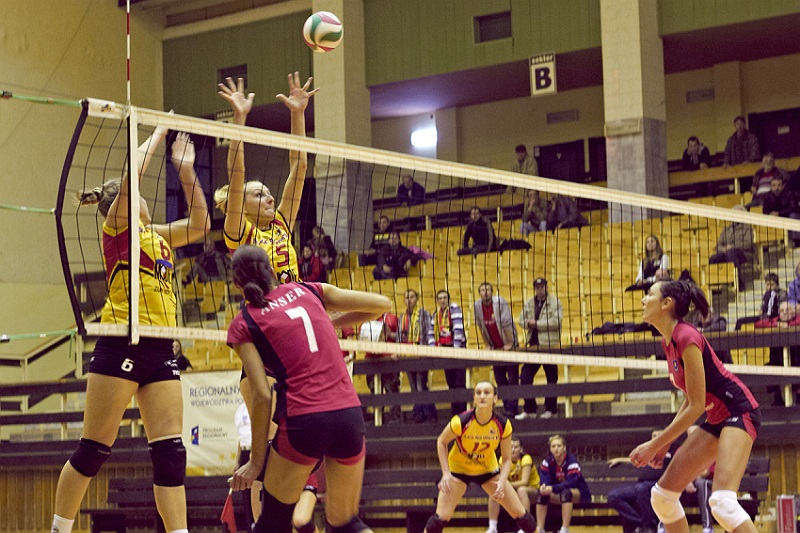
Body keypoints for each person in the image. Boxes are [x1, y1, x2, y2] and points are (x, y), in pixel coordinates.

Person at [51, 130, 210, 533]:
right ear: (125, 201)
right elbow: (131, 177)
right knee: (93, 451)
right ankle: (59, 529)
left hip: (160, 348)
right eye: (136, 194)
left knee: (171, 453)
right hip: (123, 340)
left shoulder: (157, 235)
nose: (143, 197)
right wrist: (154, 133)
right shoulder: (117, 229)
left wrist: (186, 170)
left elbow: (200, 224)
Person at [226, 245, 391, 533]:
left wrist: (255, 462)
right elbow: (382, 304)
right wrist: (329, 322)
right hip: (349, 415)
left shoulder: (244, 322)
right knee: (345, 523)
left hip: (304, 420)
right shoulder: (309, 290)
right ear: (271, 270)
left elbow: (262, 395)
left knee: (272, 523)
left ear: (236, 284)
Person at [630, 279, 762, 533]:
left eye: (649, 294)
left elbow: (697, 406)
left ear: (666, 303)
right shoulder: (668, 341)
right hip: (717, 418)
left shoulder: (686, 337)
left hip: (739, 411)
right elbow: (691, 399)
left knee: (722, 503)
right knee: (662, 497)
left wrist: (654, 444)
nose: (643, 300)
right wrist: (665, 442)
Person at [214, 73, 317, 284]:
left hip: (296, 294)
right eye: (259, 195)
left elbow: (300, 166)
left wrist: (298, 113)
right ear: (242, 206)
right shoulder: (239, 232)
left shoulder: (280, 223)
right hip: (266, 301)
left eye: (268, 194)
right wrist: (239, 119)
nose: (270, 199)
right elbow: (236, 174)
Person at [424, 381, 537, 533]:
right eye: (478, 393)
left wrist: (502, 481)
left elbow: (506, 459)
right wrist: (446, 473)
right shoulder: (461, 421)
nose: (482, 396)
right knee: (440, 519)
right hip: (458, 470)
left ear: (495, 398)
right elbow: (441, 442)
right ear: (474, 398)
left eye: (487, 392)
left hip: (487, 470)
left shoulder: (503, 424)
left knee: (522, 515)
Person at [607, 430, 673, 533]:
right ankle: (642, 524)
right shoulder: (648, 453)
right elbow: (636, 459)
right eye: (654, 435)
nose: (656, 437)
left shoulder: (669, 452)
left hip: (658, 486)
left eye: (659, 435)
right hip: (641, 486)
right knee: (613, 496)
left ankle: (649, 526)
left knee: (641, 488)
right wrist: (619, 459)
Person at [516, 277, 562, 420]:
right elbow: (520, 319)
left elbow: (556, 321)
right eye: (537, 287)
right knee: (525, 376)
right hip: (533, 345)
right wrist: (528, 324)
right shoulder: (529, 303)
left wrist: (537, 324)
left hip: (549, 346)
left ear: (546, 287)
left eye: (542, 287)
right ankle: (530, 409)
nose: (539, 289)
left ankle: (551, 410)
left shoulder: (555, 302)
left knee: (551, 377)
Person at [474, 282, 519, 417]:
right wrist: (487, 344)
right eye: (483, 290)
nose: (485, 292)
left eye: (488, 289)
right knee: (500, 379)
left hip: (508, 345)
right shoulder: (477, 306)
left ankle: (513, 408)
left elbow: (507, 323)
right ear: (479, 293)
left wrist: (510, 343)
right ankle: (507, 408)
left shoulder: (500, 302)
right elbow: (481, 327)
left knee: (512, 378)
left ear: (492, 292)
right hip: (496, 349)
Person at [535, 434, 591, 533]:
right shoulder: (547, 462)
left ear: (564, 448)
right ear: (550, 449)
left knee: (566, 493)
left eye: (559, 446)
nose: (556, 449)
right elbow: (544, 479)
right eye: (553, 446)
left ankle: (564, 529)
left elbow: (571, 483)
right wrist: (544, 487)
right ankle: (540, 529)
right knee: (542, 494)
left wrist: (552, 488)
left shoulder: (571, 461)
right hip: (557, 493)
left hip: (578, 493)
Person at [398, 289, 437, 423]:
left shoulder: (424, 314)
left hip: (421, 356)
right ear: (404, 300)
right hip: (408, 357)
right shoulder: (402, 318)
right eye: (407, 297)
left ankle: (428, 413)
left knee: (421, 385)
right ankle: (420, 413)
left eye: (412, 297)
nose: (409, 300)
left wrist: (427, 351)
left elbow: (428, 333)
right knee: (414, 387)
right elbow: (400, 337)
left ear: (417, 299)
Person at [486, 436, 540, 533]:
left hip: (533, 491)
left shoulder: (526, 459)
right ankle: (492, 527)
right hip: (515, 490)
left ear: (521, 449)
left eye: (516, 447)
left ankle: (525, 527)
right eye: (511, 447)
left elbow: (524, 482)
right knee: (494, 491)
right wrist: (501, 485)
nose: (513, 450)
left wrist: (504, 484)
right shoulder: (503, 460)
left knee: (522, 490)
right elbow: (501, 479)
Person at [754, 301, 800, 406]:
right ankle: (777, 396)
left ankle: (798, 395)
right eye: (782, 311)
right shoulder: (775, 320)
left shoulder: (797, 319)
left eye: (788, 310)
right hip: (777, 360)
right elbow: (758, 324)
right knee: (767, 368)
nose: (785, 312)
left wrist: (788, 325)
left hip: (796, 359)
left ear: (794, 312)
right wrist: (777, 324)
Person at [361, 311, 402, 424]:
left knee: (391, 389)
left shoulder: (391, 318)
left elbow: (400, 337)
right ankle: (378, 419)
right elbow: (362, 339)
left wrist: (389, 335)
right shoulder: (365, 319)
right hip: (371, 360)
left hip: (388, 359)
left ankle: (395, 418)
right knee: (374, 390)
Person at [431, 290, 467, 416]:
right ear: (437, 301)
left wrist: (455, 350)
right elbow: (431, 333)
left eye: (445, 298)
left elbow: (458, 330)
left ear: (449, 299)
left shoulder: (454, 310)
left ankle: (462, 413)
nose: (442, 300)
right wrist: (433, 349)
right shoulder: (436, 314)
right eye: (440, 298)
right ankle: (454, 413)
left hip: (457, 351)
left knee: (459, 383)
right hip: (445, 352)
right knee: (451, 383)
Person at [708, 205, 753, 292]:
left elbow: (748, 243)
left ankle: (738, 282)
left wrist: (732, 247)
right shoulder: (726, 229)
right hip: (727, 253)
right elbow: (718, 245)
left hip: (743, 254)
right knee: (713, 258)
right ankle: (717, 284)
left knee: (731, 253)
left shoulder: (747, 228)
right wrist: (723, 248)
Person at [234, 400, 262, 529]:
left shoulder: (259, 405)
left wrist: (255, 455)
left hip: (256, 452)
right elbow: (241, 438)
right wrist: (237, 461)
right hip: (245, 453)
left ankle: (259, 526)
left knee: (257, 495)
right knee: (246, 498)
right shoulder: (240, 409)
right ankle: (251, 527)